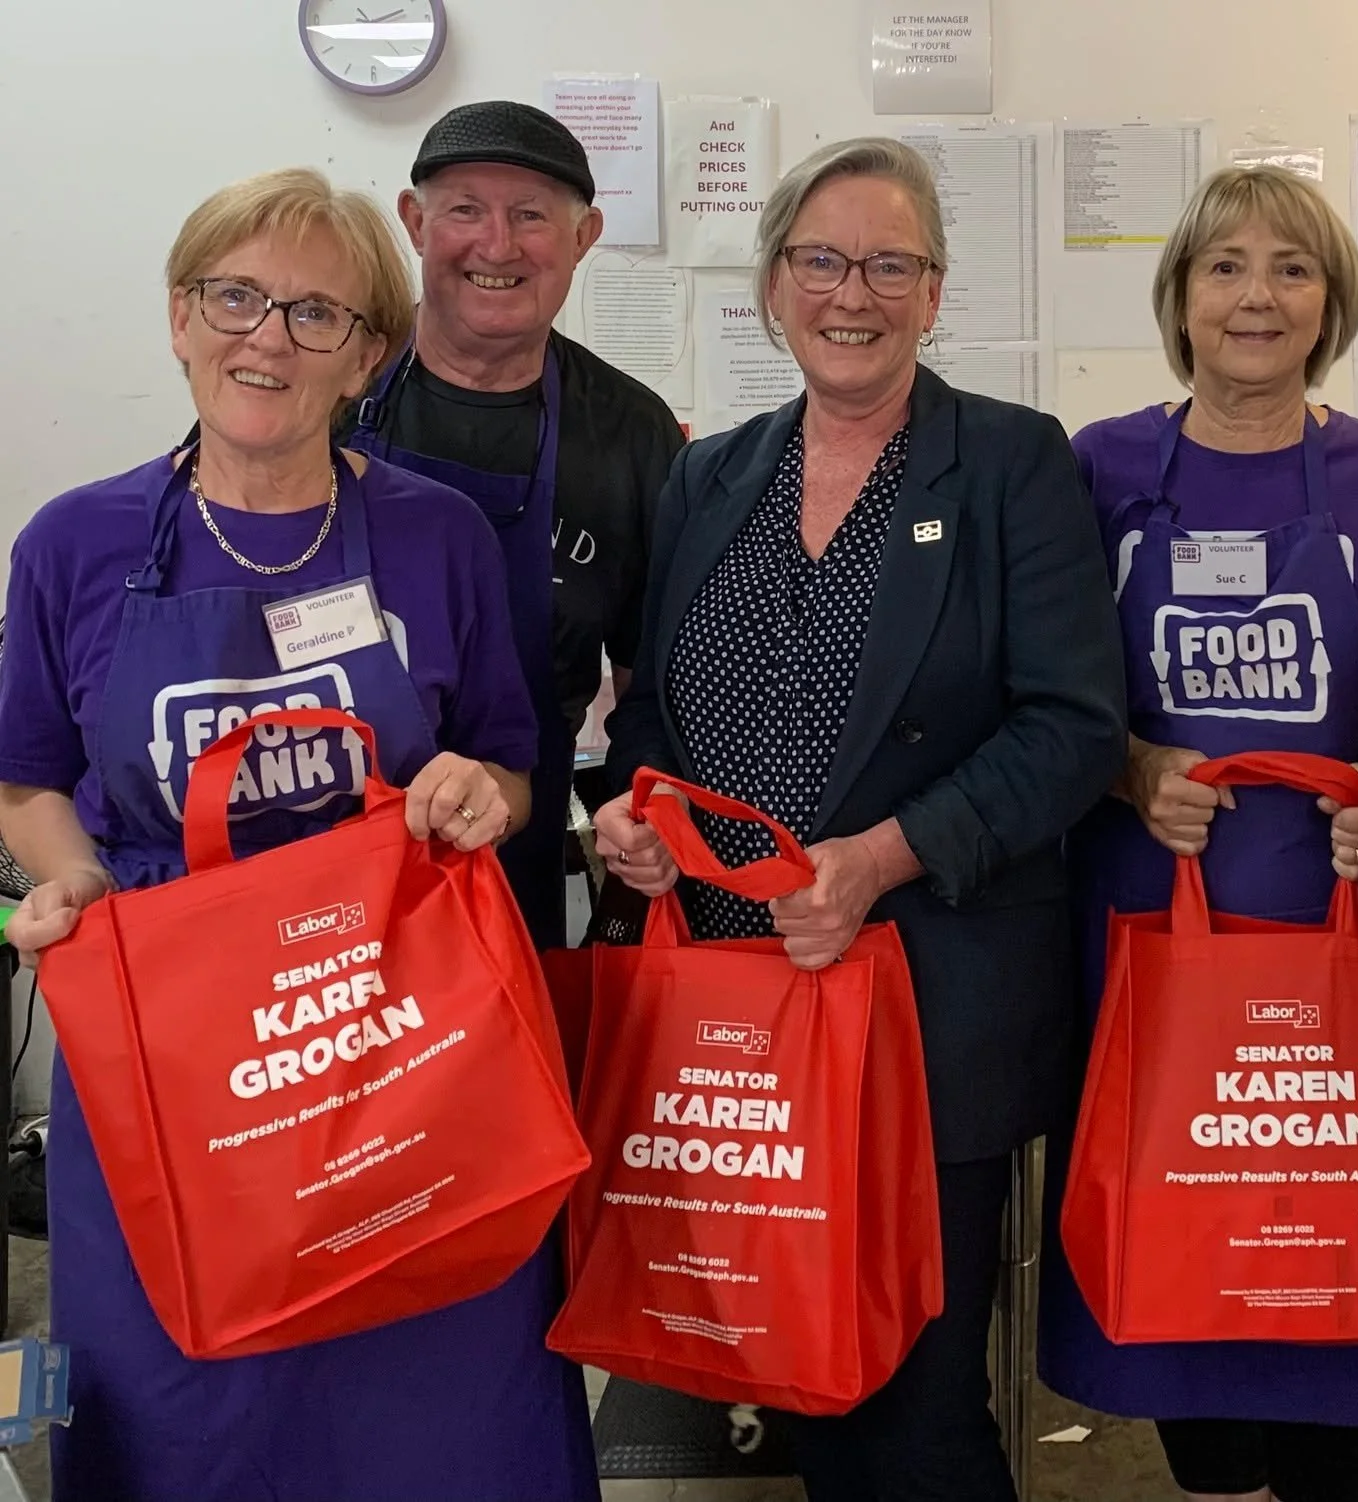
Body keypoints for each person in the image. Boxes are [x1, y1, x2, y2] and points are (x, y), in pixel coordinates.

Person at [0, 169, 598, 1500]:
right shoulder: (74, 544)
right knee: (186, 1394)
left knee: (442, 1373)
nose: (265, 335)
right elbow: (26, 777)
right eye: (235, 296)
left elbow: (510, 759)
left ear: (367, 355)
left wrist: (475, 798)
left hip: (399, 1037)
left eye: (315, 313)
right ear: (178, 317)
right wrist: (76, 878)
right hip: (174, 1047)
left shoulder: (435, 534)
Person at [594, 136, 1126, 1501]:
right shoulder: (710, 476)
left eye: (892, 263)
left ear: (935, 294)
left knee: (915, 1402)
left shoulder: (1008, 463)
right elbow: (656, 712)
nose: (855, 291)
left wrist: (882, 856)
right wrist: (638, 815)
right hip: (739, 1014)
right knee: (792, 1372)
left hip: (919, 1013)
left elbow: (1072, 728)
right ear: (775, 286)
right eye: (823, 259)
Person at [1034, 165, 1358, 1502]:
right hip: (1155, 934)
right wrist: (1133, 766)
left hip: (1344, 930)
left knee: (1342, 1237)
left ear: (1330, 302)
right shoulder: (1097, 466)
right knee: (1183, 1241)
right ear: (1181, 297)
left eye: (1290, 267)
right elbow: (1040, 685)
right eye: (1225, 265)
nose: (1255, 295)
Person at [348, 100, 684, 950]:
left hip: (516, 843)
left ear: (584, 237)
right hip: (322, 845)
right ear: (415, 223)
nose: (496, 246)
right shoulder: (332, 389)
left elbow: (653, 676)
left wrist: (636, 807)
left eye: (531, 215)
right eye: (465, 210)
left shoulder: (631, 430)